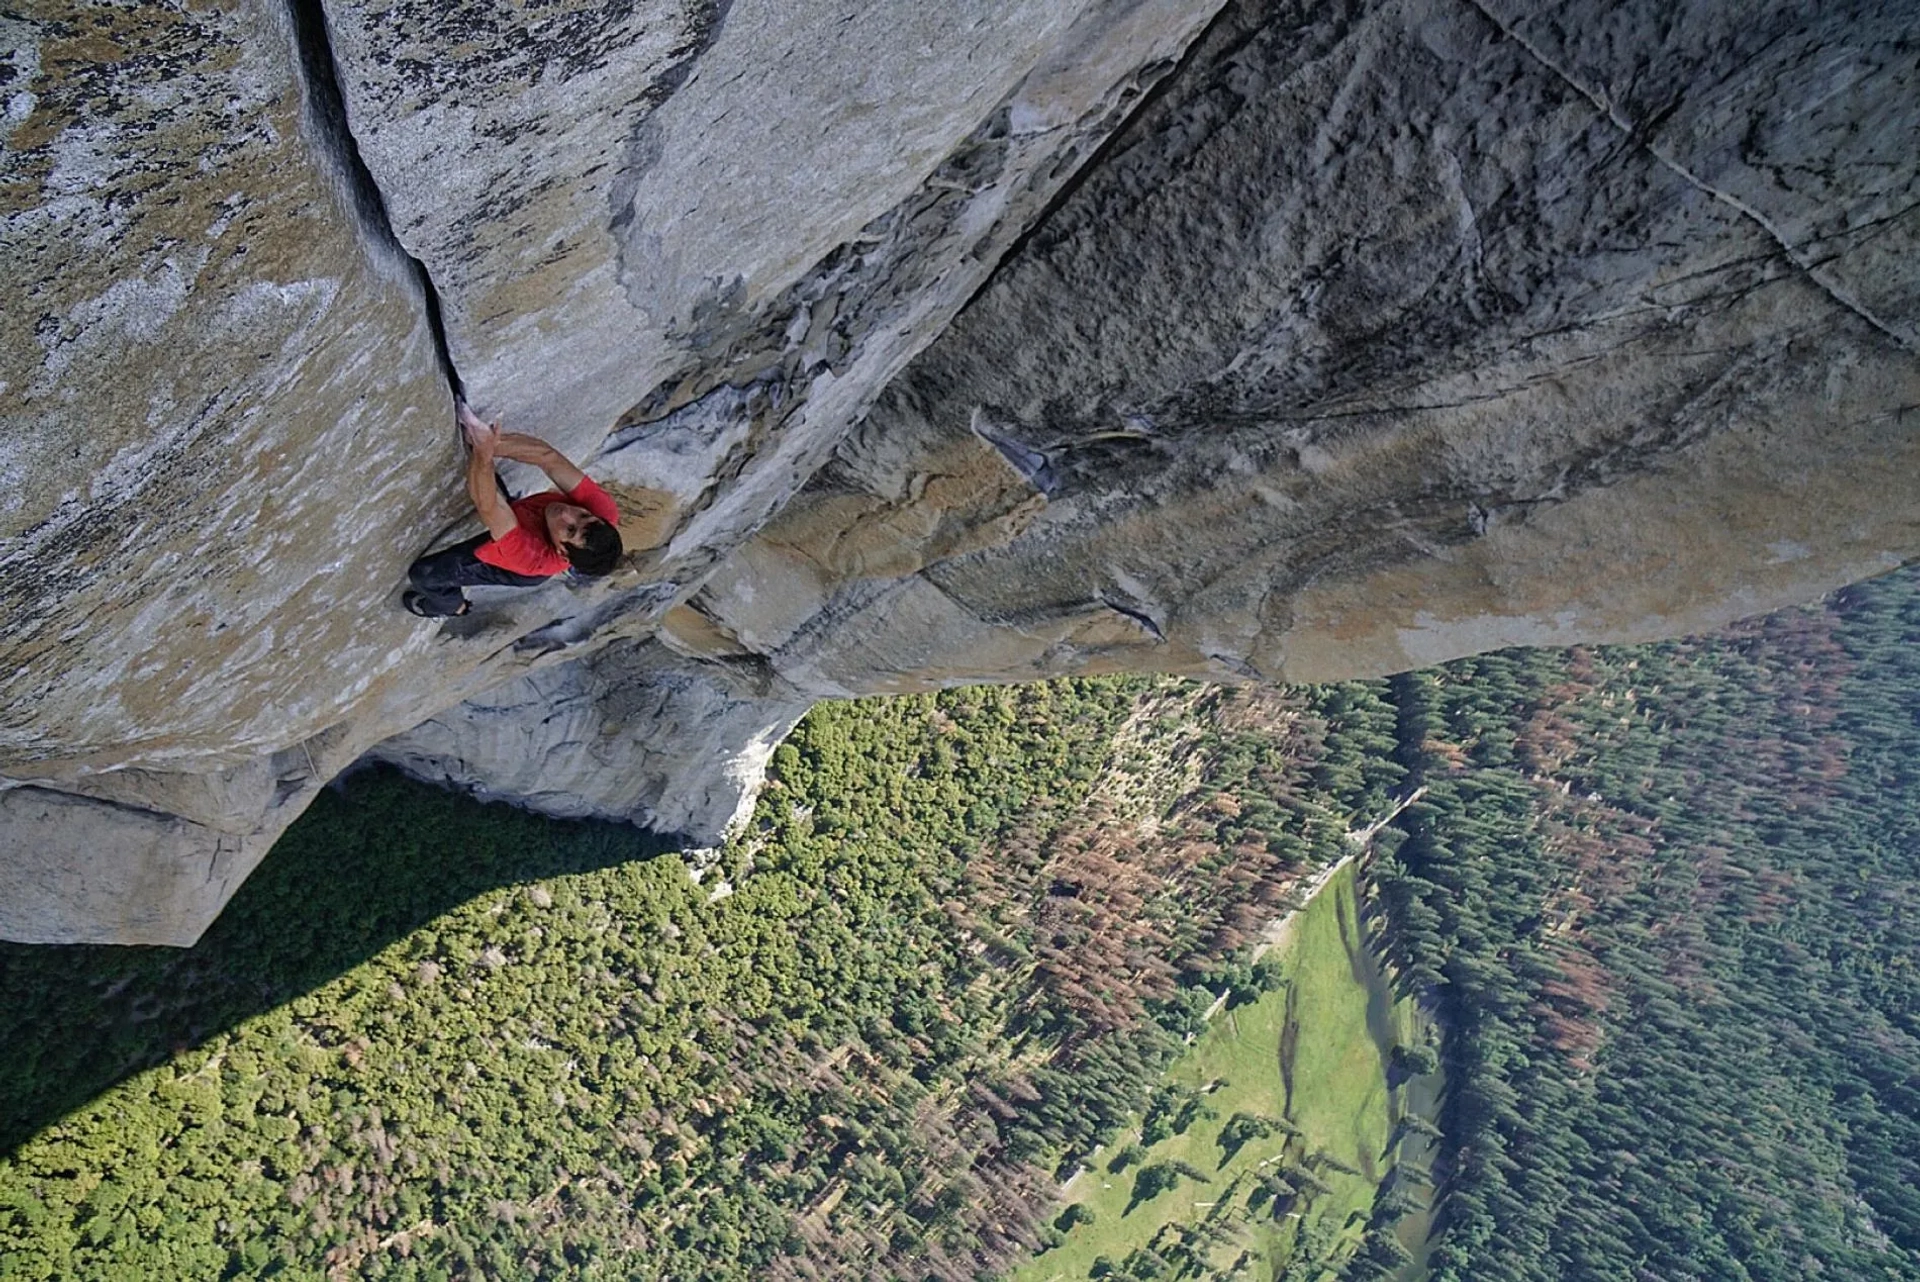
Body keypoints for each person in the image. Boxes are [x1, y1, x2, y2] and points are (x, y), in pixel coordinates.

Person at [403, 405, 622, 618]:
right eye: (583, 515)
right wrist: (490, 442)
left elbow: (488, 505)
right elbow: (548, 457)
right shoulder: (603, 511)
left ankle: (452, 606)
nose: (566, 513)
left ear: (562, 552)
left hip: (515, 566)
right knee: (496, 489)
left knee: (424, 575)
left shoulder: (531, 556)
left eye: (570, 530)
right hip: (522, 524)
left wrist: (483, 454)